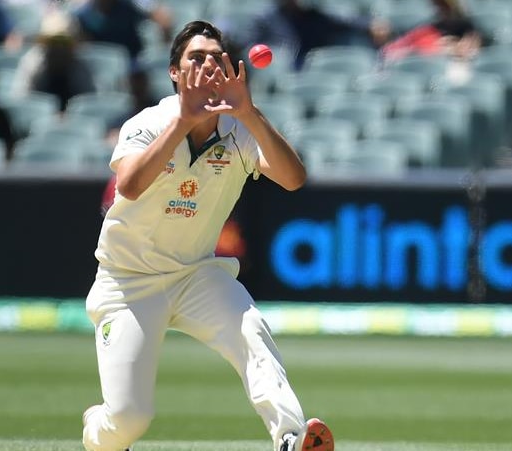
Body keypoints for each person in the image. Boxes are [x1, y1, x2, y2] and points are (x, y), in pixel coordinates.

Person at [82, 20, 334, 451]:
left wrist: (249, 113)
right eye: (195, 59)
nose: (207, 66)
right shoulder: (149, 122)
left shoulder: (239, 128)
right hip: (128, 282)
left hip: (196, 274)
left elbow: (293, 179)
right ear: (175, 74)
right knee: (128, 420)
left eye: (216, 59)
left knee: (250, 327)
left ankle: (290, 438)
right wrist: (183, 121)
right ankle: (97, 428)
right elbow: (129, 185)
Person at [245, 0, 391, 69]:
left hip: (308, 72)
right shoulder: (266, 20)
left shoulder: (312, 17)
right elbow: (248, 45)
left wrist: (370, 25)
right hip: (278, 77)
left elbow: (345, 22)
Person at [11, 9, 96, 112]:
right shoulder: (32, 63)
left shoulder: (80, 66)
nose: (58, 47)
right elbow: (22, 99)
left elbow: (90, 102)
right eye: (53, 42)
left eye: (63, 42)